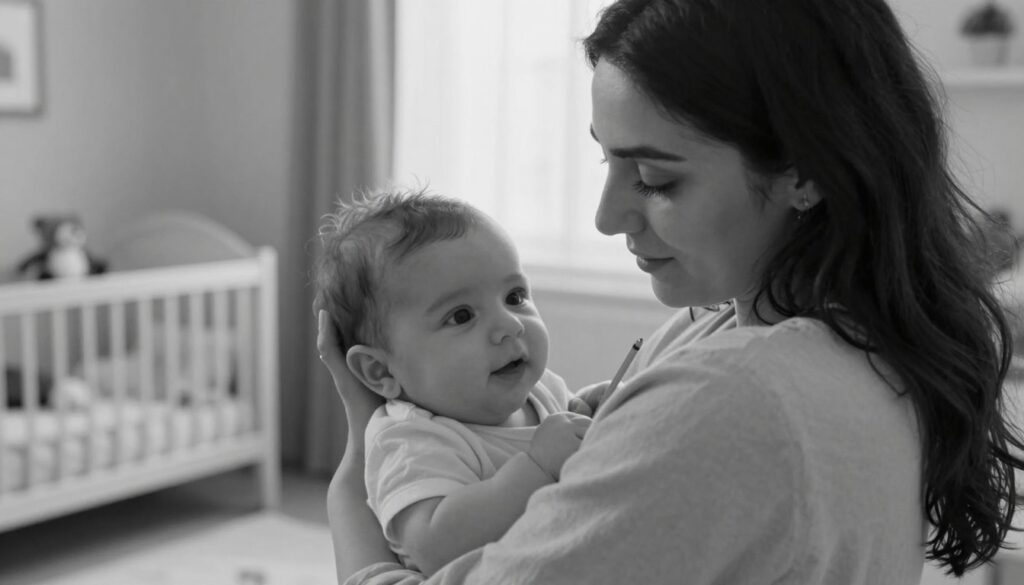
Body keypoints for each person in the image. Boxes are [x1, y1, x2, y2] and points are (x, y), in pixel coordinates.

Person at [317, 0, 1024, 583]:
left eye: (655, 179)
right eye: (605, 159)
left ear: (803, 173)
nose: (604, 216)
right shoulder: (765, 328)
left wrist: (352, 483)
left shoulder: (737, 397)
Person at [313, 188, 592, 576]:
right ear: (382, 372)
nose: (510, 324)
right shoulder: (410, 441)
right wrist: (537, 467)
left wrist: (585, 409)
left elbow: (559, 431)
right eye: (461, 316)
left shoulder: (540, 389)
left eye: (515, 296)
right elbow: (434, 545)